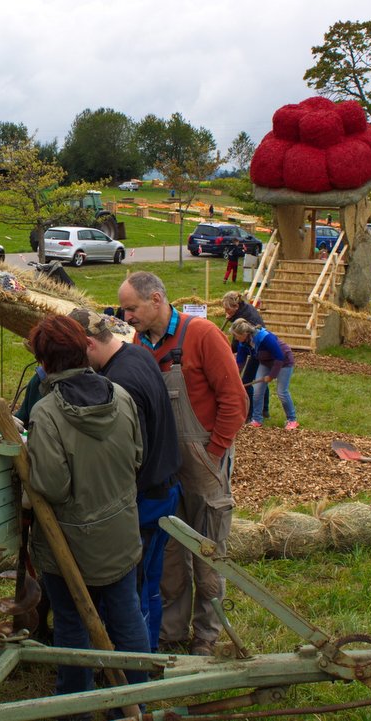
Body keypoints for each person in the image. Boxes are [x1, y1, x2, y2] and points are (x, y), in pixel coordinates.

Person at [117, 272, 247, 656]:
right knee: (170, 555)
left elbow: (235, 401)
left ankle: (206, 636)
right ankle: (170, 633)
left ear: (156, 300)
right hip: (164, 467)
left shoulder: (201, 334)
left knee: (207, 554)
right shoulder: (139, 343)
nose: (126, 315)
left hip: (203, 461)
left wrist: (214, 453)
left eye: (131, 307)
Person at [24, 314, 150, 697]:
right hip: (121, 534)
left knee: (72, 626)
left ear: (45, 362)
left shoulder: (47, 414)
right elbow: (138, 456)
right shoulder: (119, 395)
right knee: (127, 617)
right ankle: (134, 700)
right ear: (83, 350)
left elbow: (53, 487)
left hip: (71, 547)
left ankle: (75, 704)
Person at [70, 308, 181, 649]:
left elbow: (128, 456)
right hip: (165, 487)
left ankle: (138, 668)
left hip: (145, 499)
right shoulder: (137, 355)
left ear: (89, 344)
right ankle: (149, 656)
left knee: (135, 589)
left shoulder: (118, 384)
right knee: (150, 582)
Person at [231, 319, 297, 430]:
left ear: (244, 334)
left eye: (236, 336)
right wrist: (235, 379)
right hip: (266, 362)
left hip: (284, 361)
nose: (235, 338)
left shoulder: (265, 337)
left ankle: (292, 420)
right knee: (257, 390)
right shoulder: (243, 343)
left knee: (282, 392)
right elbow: (240, 362)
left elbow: (279, 357)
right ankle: (257, 420)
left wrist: (271, 375)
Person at [221, 291, 267, 422]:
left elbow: (237, 340)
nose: (226, 311)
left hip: (258, 348)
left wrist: (227, 351)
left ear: (236, 306)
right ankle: (265, 409)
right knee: (260, 379)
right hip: (253, 347)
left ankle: (250, 413)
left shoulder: (243, 317)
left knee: (246, 380)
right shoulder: (244, 308)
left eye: (228, 309)